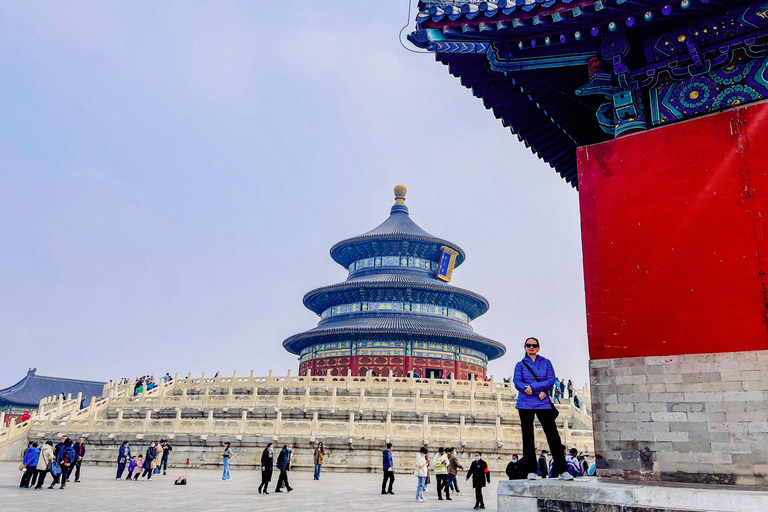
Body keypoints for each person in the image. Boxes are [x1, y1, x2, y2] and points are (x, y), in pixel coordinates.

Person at [514, 337, 573, 481]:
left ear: (538, 347)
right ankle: (531, 470)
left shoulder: (546, 363)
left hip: (543, 402)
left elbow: (550, 380)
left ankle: (562, 470)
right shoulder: (520, 364)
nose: (531, 348)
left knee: (553, 436)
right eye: (528, 345)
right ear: (525, 348)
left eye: (534, 345)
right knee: (528, 437)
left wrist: (533, 388)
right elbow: (517, 382)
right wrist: (537, 391)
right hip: (525, 403)